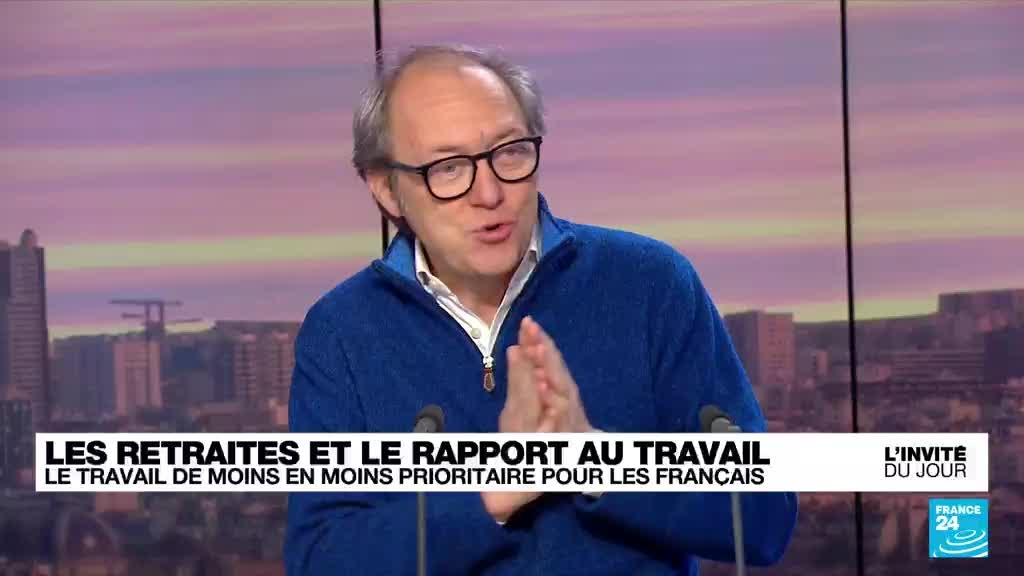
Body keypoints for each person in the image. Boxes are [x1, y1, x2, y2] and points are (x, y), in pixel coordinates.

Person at [285, 44, 798, 575]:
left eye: (509, 152)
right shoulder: (342, 331)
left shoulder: (652, 284)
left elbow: (764, 518)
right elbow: (321, 560)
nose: (489, 193)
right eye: (449, 167)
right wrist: (494, 489)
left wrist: (592, 457)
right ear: (387, 189)